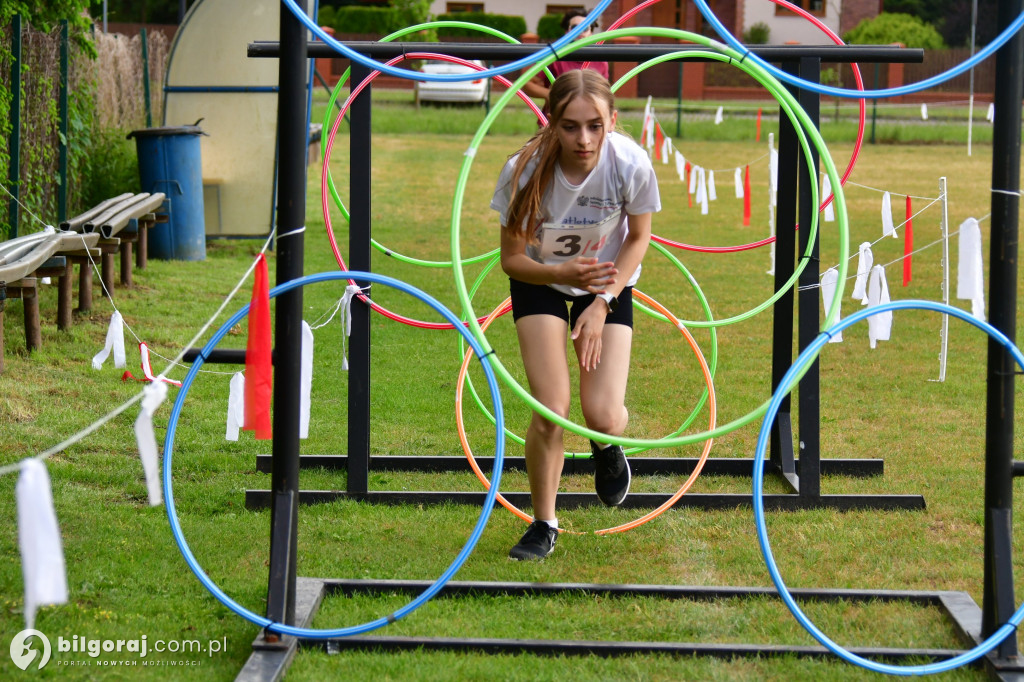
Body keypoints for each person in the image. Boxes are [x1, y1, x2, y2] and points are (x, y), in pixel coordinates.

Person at [490, 69, 661, 561]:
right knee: (552, 410)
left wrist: (601, 302)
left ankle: (606, 448)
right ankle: (544, 522)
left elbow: (638, 237)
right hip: (540, 280)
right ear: (552, 123)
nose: (583, 139)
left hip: (606, 280)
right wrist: (561, 271)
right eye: (569, 126)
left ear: (612, 121)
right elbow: (512, 259)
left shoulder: (629, 162)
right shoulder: (524, 170)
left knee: (603, 414)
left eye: (594, 126)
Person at [522, 9, 610, 119]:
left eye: (585, 28)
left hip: (588, 120)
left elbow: (606, 94)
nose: (580, 32)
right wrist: (552, 95)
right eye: (575, 28)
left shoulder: (600, 61)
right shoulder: (556, 56)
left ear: (590, 32)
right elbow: (527, 84)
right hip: (555, 121)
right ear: (567, 32)